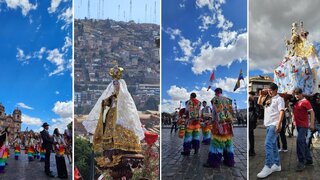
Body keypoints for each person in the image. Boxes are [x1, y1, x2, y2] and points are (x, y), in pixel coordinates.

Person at [83, 65, 144, 168]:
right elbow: (106, 102)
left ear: (120, 85)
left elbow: (128, 107)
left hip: (122, 118)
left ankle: (123, 144)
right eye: (114, 84)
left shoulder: (124, 96)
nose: (116, 86)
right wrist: (106, 102)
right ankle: (111, 144)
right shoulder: (112, 96)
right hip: (112, 115)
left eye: (117, 84)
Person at [257, 83, 284, 178]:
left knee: (267, 143)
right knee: (273, 144)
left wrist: (279, 123)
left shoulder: (279, 99)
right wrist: (261, 94)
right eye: (268, 90)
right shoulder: (268, 98)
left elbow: (281, 111)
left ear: (276, 90)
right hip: (268, 124)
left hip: (274, 124)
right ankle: (277, 164)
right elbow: (259, 103)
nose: (269, 91)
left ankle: (268, 166)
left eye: (271, 90)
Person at [203, 88, 235, 168]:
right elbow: (232, 112)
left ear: (216, 92)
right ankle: (229, 161)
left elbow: (214, 113)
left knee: (216, 144)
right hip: (228, 125)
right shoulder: (228, 100)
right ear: (221, 92)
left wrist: (211, 121)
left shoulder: (215, 100)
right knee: (228, 143)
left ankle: (213, 162)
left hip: (219, 125)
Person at [292, 88, 315, 171]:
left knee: (299, 141)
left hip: (303, 126)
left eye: (298, 94)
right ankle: (309, 160)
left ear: (301, 94)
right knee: (303, 143)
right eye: (295, 94)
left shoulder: (305, 102)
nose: (296, 96)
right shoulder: (297, 102)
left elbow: (312, 112)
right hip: (298, 126)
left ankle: (301, 162)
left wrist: (312, 124)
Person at [249, 91, 257, 156]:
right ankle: (251, 150)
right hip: (251, 120)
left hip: (251, 120)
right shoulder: (251, 101)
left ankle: (252, 150)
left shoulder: (254, 101)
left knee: (251, 136)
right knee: (251, 136)